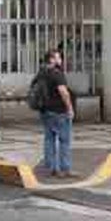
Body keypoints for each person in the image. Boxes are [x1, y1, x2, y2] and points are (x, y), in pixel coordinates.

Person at [37, 49, 74, 177]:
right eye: (58, 57)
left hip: (45, 111)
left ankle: (51, 167)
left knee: (49, 139)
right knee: (64, 140)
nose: (61, 59)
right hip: (59, 111)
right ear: (52, 59)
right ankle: (65, 168)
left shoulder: (41, 73)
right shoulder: (57, 73)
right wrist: (70, 108)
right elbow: (63, 91)